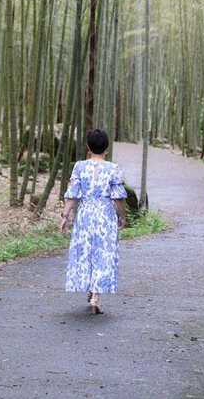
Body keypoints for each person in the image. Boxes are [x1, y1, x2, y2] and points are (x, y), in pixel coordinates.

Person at [60, 129, 128, 314]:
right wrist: (122, 216)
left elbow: (73, 194)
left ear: (87, 147)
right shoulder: (113, 168)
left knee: (86, 252)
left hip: (85, 214)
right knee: (103, 253)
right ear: (106, 147)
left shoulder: (79, 167)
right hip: (105, 214)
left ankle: (91, 293)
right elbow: (118, 198)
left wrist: (65, 216)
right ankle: (95, 297)